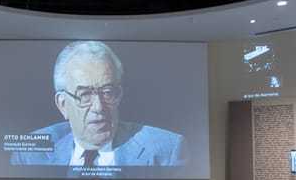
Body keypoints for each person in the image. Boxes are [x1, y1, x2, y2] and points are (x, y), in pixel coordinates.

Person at [10, 40, 189, 167]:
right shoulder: (28, 154)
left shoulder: (168, 150)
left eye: (107, 92)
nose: (98, 107)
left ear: (119, 95)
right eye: (84, 94)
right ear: (63, 104)